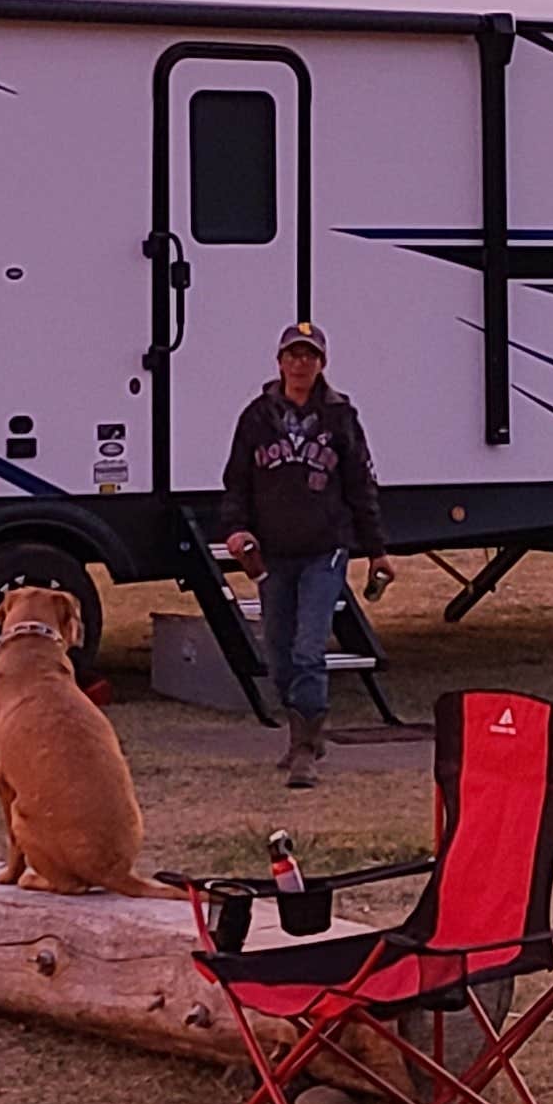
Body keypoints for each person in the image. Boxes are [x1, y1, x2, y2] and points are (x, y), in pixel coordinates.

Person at [217, 320, 392, 788]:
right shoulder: (256, 417)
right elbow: (236, 483)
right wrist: (236, 531)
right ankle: (303, 732)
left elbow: (361, 485)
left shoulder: (340, 417)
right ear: (279, 362)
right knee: (277, 652)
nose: (300, 364)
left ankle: (305, 748)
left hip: (325, 549)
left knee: (309, 647)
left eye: (309, 356)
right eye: (293, 355)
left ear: (322, 364)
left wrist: (376, 551)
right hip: (273, 552)